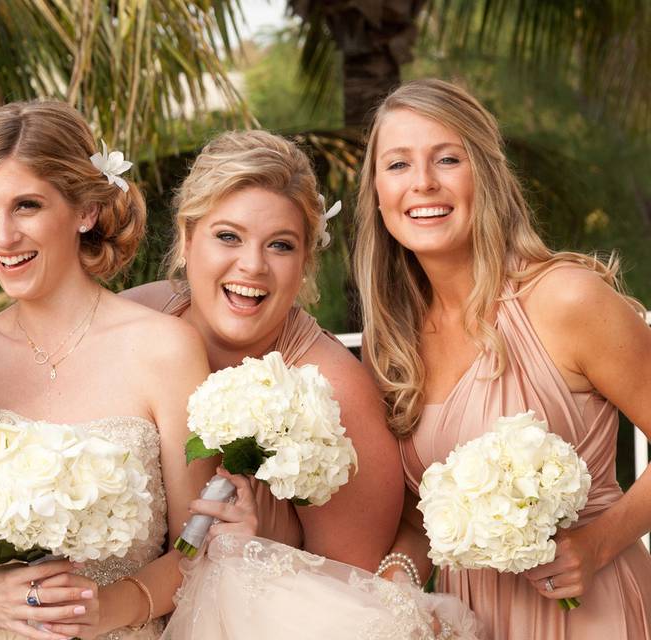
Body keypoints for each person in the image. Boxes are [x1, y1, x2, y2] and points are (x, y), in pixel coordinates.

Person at [126, 131, 479, 639]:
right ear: (185, 238)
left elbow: (354, 596)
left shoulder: (336, 392)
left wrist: (268, 540)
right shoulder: (135, 320)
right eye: (228, 236)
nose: (252, 265)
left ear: (307, 260)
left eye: (280, 245)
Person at [355, 78, 651, 639]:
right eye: (397, 165)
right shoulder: (391, 345)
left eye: (447, 159)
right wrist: (393, 585)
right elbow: (421, 521)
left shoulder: (565, 300)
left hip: (592, 614)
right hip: (469, 623)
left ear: (486, 175)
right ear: (376, 192)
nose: (422, 183)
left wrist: (596, 544)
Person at [0, 101, 216, 640]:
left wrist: (113, 606)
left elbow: (198, 545)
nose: (2, 237)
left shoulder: (166, 350)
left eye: (26, 206)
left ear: (85, 211)